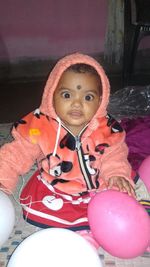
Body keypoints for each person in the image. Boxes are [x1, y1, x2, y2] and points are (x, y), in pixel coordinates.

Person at [0, 53, 149, 247]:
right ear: (51, 94)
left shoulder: (105, 128)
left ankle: (118, 227)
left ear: (100, 101)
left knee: (124, 193)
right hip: (60, 187)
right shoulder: (40, 126)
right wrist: (2, 179)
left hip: (100, 181)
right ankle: (80, 237)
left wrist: (116, 174)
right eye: (67, 95)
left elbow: (115, 154)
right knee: (58, 214)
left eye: (88, 97)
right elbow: (16, 154)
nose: (77, 103)